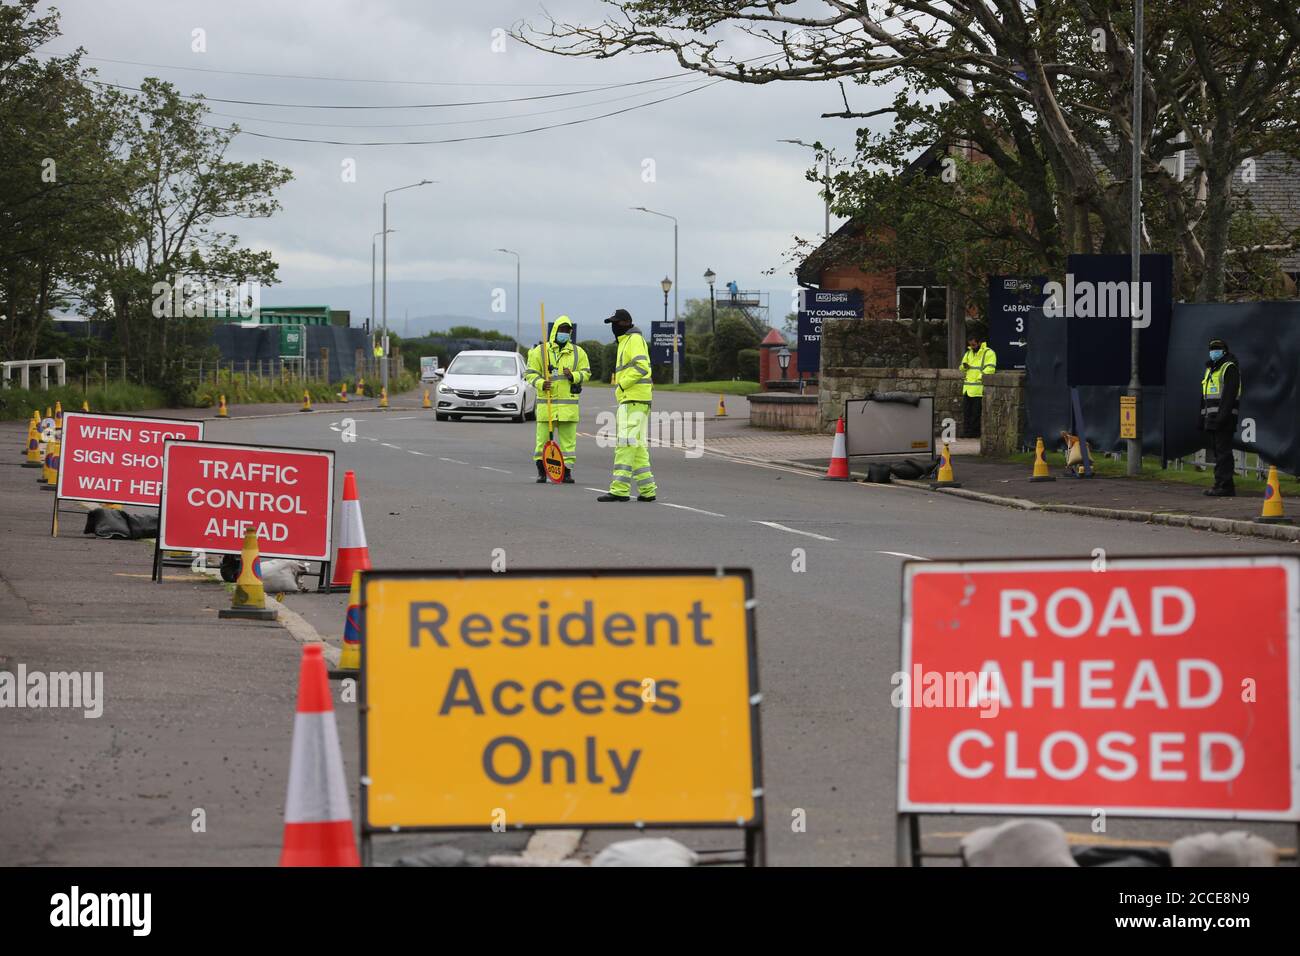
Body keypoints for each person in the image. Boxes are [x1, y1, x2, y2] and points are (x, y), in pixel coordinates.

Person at [597, 309, 656, 502]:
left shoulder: (634, 340)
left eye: (616, 323)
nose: (613, 327)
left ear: (625, 323)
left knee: (625, 444)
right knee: (637, 446)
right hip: (633, 399)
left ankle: (620, 490)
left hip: (634, 399)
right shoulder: (626, 341)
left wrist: (622, 384)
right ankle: (648, 490)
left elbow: (642, 367)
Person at [524, 316, 590, 484]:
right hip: (547, 405)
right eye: (561, 330)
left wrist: (573, 376)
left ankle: (567, 473)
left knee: (569, 444)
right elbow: (530, 374)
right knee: (543, 441)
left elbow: (587, 372)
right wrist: (540, 383)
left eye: (567, 331)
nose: (564, 333)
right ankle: (541, 472)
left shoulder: (578, 352)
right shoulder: (540, 351)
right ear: (555, 331)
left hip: (568, 408)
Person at [1200, 337, 1242, 497]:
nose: (1213, 351)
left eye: (1217, 348)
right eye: (1211, 348)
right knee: (1219, 452)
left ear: (1224, 351)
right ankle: (1222, 484)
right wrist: (1202, 418)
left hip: (1224, 419)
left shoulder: (1229, 368)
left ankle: (1224, 486)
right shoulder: (1212, 369)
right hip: (1212, 418)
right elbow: (1205, 397)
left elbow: (1229, 396)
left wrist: (1221, 418)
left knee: (1223, 452)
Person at [959, 335, 997, 438]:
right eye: (970, 345)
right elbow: (962, 367)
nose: (972, 347)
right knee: (967, 413)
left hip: (978, 389)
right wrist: (964, 366)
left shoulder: (989, 353)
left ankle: (974, 433)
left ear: (979, 343)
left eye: (974, 345)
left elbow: (991, 368)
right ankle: (967, 432)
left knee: (976, 414)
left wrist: (979, 377)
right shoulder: (968, 353)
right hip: (967, 389)